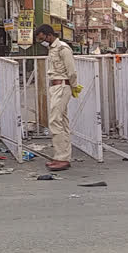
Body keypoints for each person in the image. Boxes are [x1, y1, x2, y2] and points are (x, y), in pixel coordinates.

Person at [35, 24, 77, 171]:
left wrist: (74, 86)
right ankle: (63, 156)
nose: (42, 42)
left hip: (62, 86)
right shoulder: (52, 49)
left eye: (42, 38)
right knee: (62, 121)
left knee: (55, 121)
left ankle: (62, 158)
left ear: (48, 35)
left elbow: (71, 71)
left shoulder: (62, 48)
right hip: (56, 86)